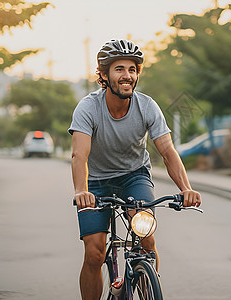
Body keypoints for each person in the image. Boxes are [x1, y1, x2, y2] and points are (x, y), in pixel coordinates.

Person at [68, 39, 201, 300]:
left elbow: (167, 151)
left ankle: (147, 288)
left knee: (147, 239)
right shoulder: (88, 107)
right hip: (96, 182)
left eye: (132, 69)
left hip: (134, 176)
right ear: (104, 75)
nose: (127, 75)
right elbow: (79, 155)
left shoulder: (147, 106)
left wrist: (186, 188)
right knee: (94, 252)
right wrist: (81, 190)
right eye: (119, 69)